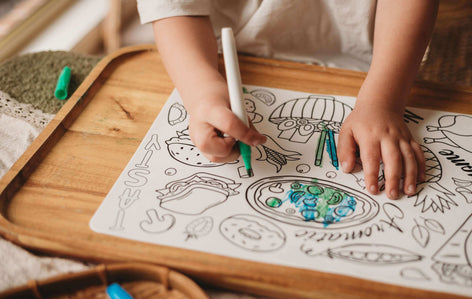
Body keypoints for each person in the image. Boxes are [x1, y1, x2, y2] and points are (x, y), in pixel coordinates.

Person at [137, 0, 439, 200]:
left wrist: (382, 102)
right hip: (230, 62)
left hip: (374, 67)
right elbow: (173, 7)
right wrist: (201, 90)